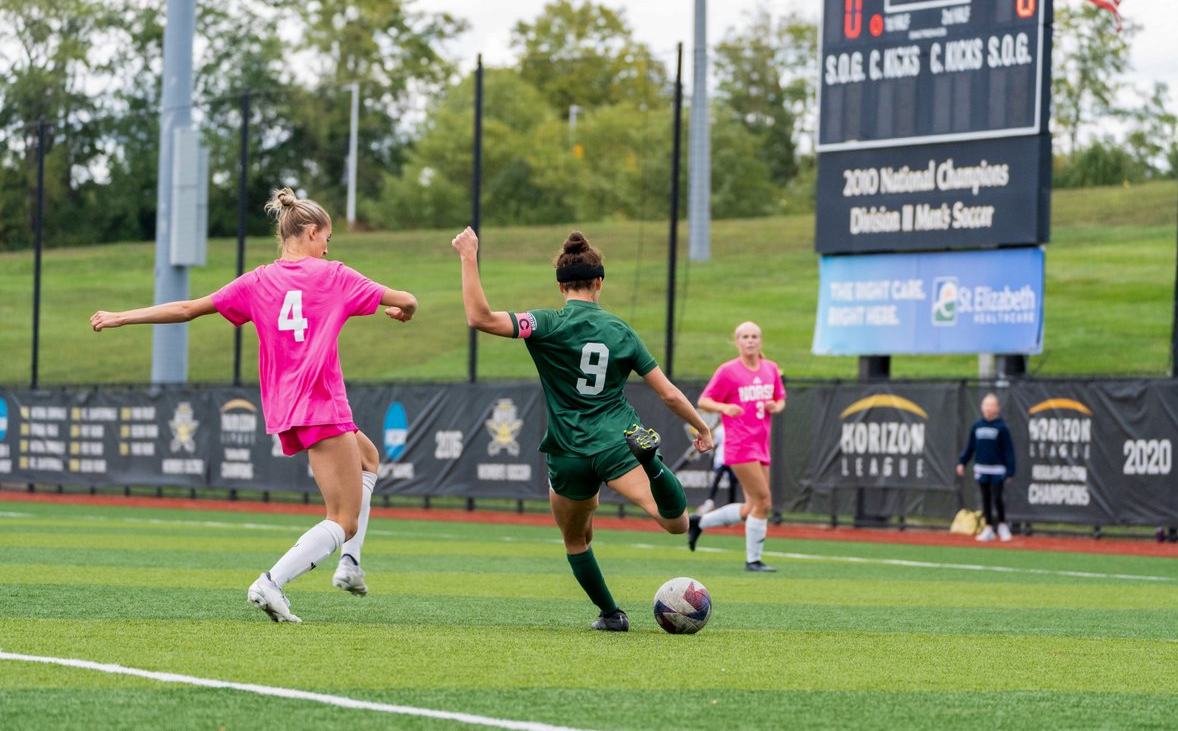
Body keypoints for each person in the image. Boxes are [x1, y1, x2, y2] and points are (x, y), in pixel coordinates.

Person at [90, 187, 418, 622]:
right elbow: (408, 300)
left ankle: (350, 566)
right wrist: (402, 313)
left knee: (368, 458)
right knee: (343, 521)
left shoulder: (258, 281)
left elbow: (188, 308)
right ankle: (272, 581)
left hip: (286, 407)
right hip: (322, 402)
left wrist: (122, 317)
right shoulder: (335, 275)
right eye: (328, 237)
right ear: (312, 231)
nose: (328, 246)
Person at [451, 226, 713, 632]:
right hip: (619, 440)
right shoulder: (621, 331)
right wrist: (701, 427)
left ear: (560, 287)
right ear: (599, 283)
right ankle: (655, 466)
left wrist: (469, 255)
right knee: (675, 522)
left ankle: (612, 615)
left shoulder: (544, 324)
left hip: (567, 450)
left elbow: (478, 317)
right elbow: (669, 396)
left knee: (576, 540)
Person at [687, 321, 786, 572]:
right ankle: (752, 561)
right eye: (745, 336)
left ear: (760, 341)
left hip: (761, 443)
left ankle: (699, 522)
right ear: (737, 341)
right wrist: (724, 407)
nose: (750, 340)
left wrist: (777, 405)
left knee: (753, 507)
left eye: (754, 336)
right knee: (764, 501)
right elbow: (704, 400)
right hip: (740, 444)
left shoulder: (770, 368)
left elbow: (780, 398)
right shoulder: (728, 371)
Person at [957, 392, 1016, 542]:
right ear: (982, 407)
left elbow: (1008, 450)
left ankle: (1002, 526)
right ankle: (988, 527)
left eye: (991, 406)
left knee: (997, 497)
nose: (988, 409)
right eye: (986, 405)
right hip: (981, 468)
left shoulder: (1001, 427)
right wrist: (962, 462)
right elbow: (970, 447)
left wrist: (1010, 470)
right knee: (985, 499)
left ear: (997, 408)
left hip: (997, 469)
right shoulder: (977, 426)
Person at [696, 417, 738, 516]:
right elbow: (713, 444)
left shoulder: (735, 427)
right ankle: (709, 504)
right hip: (721, 460)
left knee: (733, 484)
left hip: (732, 460)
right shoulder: (719, 430)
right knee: (716, 481)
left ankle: (732, 507)